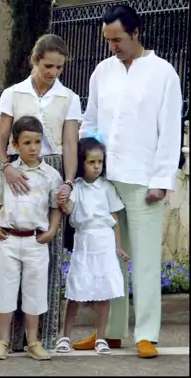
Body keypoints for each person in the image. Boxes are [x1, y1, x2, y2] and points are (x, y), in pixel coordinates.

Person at [73, 4, 183, 359]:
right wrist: (87, 169)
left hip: (143, 180)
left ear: (136, 33)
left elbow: (169, 130)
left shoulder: (163, 73)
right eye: (108, 40)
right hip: (106, 180)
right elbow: (90, 123)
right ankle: (112, 332)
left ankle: (147, 333)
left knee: (146, 259)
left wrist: (161, 179)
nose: (112, 47)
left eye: (117, 39)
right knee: (110, 259)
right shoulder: (102, 71)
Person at [0, 34, 81, 351]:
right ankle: (9, 339)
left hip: (52, 171)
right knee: (16, 252)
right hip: (16, 170)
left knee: (48, 255)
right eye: (48, 66)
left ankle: (39, 338)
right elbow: (1, 136)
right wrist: (6, 167)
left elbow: (70, 142)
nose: (54, 72)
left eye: (59, 67)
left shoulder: (69, 97)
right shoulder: (13, 93)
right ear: (34, 60)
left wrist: (68, 183)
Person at [0, 116, 63, 361]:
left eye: (37, 142)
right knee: (6, 291)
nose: (33, 147)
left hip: (35, 242)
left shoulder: (50, 176)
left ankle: (33, 341)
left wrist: (51, 231)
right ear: (15, 145)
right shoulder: (8, 172)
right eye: (27, 142)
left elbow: (56, 207)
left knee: (35, 292)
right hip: (9, 239)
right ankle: (2, 341)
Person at [55, 137, 128, 355]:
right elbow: (68, 209)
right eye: (91, 162)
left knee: (103, 293)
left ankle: (101, 337)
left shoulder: (107, 187)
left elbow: (113, 219)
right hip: (84, 241)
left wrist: (118, 247)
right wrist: (62, 200)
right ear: (81, 162)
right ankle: (64, 336)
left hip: (104, 242)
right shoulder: (76, 187)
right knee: (76, 292)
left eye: (100, 162)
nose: (97, 167)